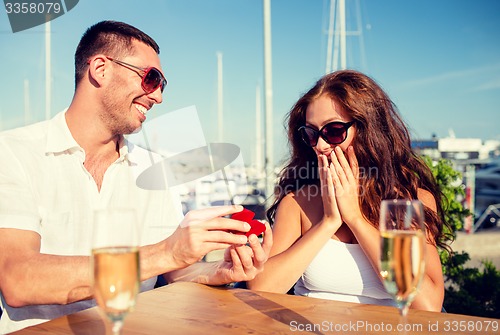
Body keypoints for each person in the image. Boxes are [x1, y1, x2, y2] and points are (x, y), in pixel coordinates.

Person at [0, 20, 272, 333]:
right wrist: (167, 252)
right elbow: (18, 279)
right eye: (151, 79)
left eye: (162, 85)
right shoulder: (13, 152)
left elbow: (174, 272)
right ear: (100, 69)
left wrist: (218, 270)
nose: (158, 97)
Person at [247, 70, 450, 312]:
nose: (320, 146)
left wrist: (356, 219)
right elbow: (261, 288)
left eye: (333, 131)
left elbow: (427, 306)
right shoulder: (299, 202)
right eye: (311, 134)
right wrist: (329, 222)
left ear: (368, 131)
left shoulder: (406, 202)